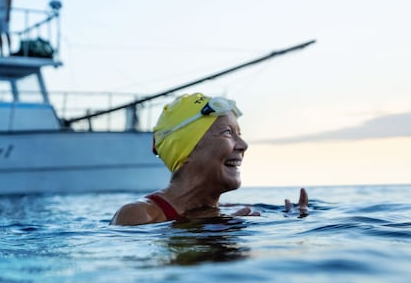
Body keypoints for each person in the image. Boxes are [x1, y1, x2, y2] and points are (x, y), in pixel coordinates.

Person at [111, 93, 308, 226]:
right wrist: (215, 232)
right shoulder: (139, 215)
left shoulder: (228, 210)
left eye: (239, 133)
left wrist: (293, 218)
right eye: (227, 133)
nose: (243, 145)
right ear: (186, 151)